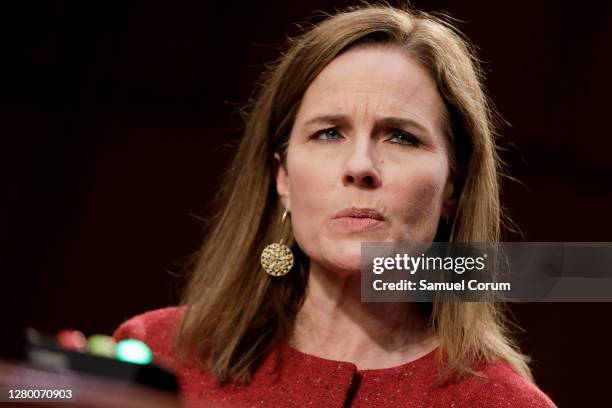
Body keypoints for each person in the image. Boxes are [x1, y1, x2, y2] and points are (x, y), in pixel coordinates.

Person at [113, 3, 557, 407]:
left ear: (451, 190)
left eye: (402, 136)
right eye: (329, 133)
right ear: (281, 177)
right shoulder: (159, 353)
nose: (360, 165)